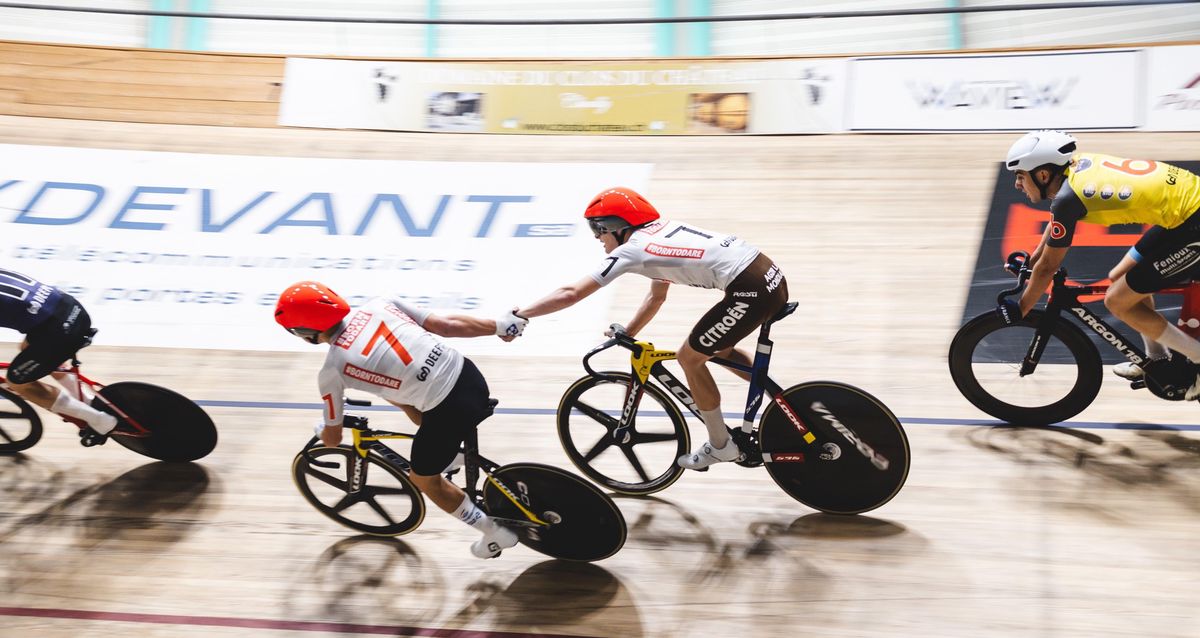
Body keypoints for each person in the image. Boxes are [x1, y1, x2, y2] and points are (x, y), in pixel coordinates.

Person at [512, 187, 788, 470]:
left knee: (689, 359)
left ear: (617, 228)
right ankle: (791, 405)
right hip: (769, 275)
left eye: (598, 229)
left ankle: (721, 446)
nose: (596, 237)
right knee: (721, 350)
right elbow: (657, 297)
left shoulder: (633, 250)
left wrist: (521, 315)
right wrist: (629, 333)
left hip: (750, 289)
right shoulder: (660, 231)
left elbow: (571, 293)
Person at [274, 281, 528, 558]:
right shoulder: (380, 302)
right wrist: (500, 326)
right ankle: (449, 454)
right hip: (470, 377)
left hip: (450, 410)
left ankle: (495, 534)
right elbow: (447, 326)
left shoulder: (332, 371)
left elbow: (333, 439)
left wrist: (325, 429)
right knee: (397, 394)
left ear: (303, 332)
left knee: (423, 480)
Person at [1004, 130, 1200, 397]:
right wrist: (1031, 260)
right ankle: (1157, 360)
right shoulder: (1072, 171)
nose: (1017, 185)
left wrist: (1022, 308)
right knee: (1120, 274)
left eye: (1020, 176)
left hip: (1192, 221)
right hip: (1186, 211)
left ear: (1043, 175)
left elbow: (1049, 268)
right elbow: (1054, 227)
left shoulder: (1067, 199)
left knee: (1117, 301)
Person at [0, 268, 117, 442]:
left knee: (17, 381)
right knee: (30, 350)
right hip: (72, 309)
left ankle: (99, 420)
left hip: (57, 331)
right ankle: (86, 400)